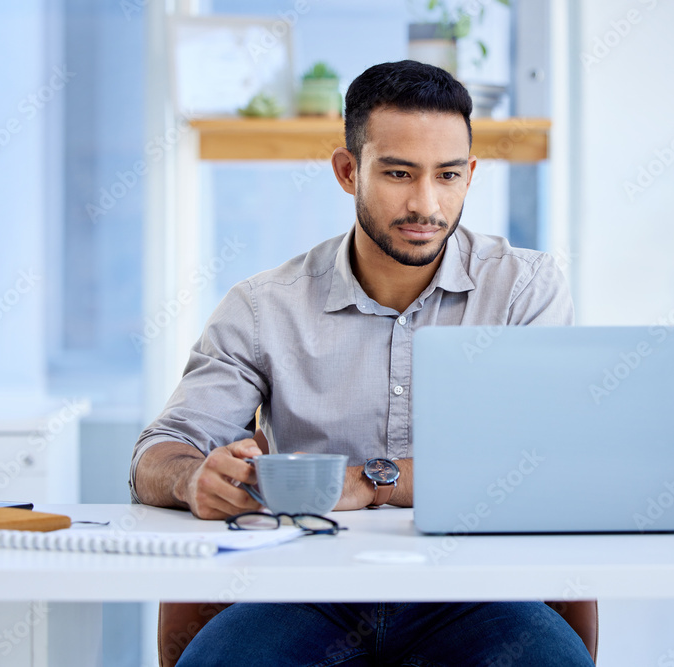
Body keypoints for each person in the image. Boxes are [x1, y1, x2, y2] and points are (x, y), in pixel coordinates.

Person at [131, 60, 593, 666]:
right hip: (297, 589)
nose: (425, 203)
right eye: (399, 173)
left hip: (479, 591)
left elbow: (547, 466)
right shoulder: (263, 306)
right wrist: (193, 478)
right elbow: (158, 452)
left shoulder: (523, 290)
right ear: (349, 171)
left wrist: (368, 481)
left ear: (470, 175)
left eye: (447, 175)